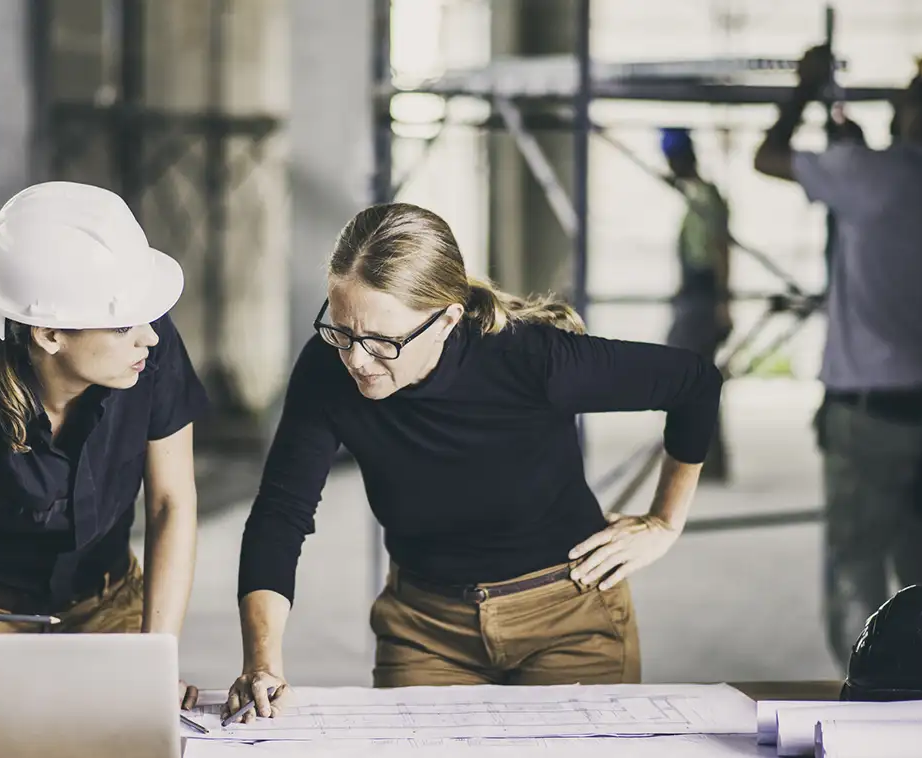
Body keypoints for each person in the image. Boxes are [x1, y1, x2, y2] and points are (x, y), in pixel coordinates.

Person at [224, 202, 724, 721]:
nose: (356, 359)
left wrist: (664, 521)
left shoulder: (533, 360)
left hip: (567, 616)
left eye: (382, 342)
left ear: (447, 320)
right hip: (425, 627)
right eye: (343, 331)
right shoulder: (327, 370)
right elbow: (280, 515)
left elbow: (695, 383)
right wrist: (263, 662)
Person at [0, 181, 209, 706]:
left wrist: (155, 654)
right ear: (49, 334)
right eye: (124, 323)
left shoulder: (150, 352)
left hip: (111, 603)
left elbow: (171, 503)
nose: (149, 336)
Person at [753, 41, 922, 667]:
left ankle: (871, 697)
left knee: (855, 568)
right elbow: (894, 212)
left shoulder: (871, 174)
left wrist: (805, 89)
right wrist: (854, 157)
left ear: (918, 101)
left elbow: (768, 157)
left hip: (868, 416)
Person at [661, 127, 732, 482]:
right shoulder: (697, 197)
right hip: (694, 294)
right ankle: (704, 460)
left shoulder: (707, 199)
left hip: (702, 297)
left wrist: (723, 303)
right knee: (692, 376)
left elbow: (719, 251)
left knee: (691, 377)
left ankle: (701, 460)